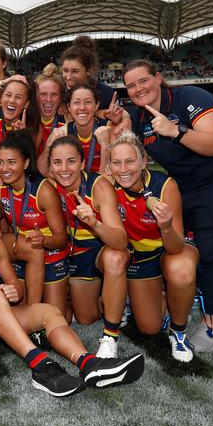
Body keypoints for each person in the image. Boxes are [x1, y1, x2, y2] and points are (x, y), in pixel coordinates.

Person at [0, 191, 144, 396]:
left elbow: (15, 288)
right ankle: (42, 367)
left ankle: (89, 364)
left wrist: (12, 291)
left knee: (49, 312)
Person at [123, 59, 213, 352]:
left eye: (143, 81)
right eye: (131, 85)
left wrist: (176, 132)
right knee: (167, 241)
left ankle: (211, 328)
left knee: (212, 252)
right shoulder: (138, 117)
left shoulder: (191, 97)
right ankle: (165, 302)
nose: (138, 89)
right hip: (182, 188)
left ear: (158, 78)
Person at [107, 131, 198, 362]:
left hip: (170, 249)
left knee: (181, 269)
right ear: (109, 166)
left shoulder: (165, 186)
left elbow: (176, 246)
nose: (124, 169)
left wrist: (166, 226)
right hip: (140, 259)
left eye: (130, 161)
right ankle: (162, 297)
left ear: (143, 161)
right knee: (149, 327)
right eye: (116, 163)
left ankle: (178, 331)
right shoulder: (108, 187)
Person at [47, 136, 130, 358]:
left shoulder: (99, 186)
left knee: (115, 258)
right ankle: (113, 296)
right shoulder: (52, 184)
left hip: (100, 249)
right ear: (50, 167)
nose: (64, 169)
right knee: (85, 318)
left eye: (71, 161)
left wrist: (95, 223)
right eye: (57, 162)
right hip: (75, 255)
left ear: (83, 163)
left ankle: (110, 336)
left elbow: (122, 242)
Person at [0, 133, 69, 312]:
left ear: (26, 163)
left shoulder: (44, 191)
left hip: (51, 253)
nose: (5, 168)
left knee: (58, 316)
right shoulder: (0, 188)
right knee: (18, 311)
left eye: (12, 162)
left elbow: (61, 238)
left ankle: (65, 302)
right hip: (22, 251)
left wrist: (43, 240)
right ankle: (32, 313)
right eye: (0, 162)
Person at [38, 84, 111, 176]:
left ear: (96, 105)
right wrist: (48, 147)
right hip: (73, 186)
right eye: (76, 102)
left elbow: (109, 177)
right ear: (69, 107)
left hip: (101, 185)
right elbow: (41, 174)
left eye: (88, 102)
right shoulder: (62, 133)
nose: (82, 108)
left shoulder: (110, 129)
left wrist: (105, 147)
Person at [0, 79, 31, 164]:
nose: (11, 100)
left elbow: (30, 165)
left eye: (18, 97)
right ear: (1, 97)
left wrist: (23, 138)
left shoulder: (32, 128)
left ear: (26, 104)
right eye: (8, 95)